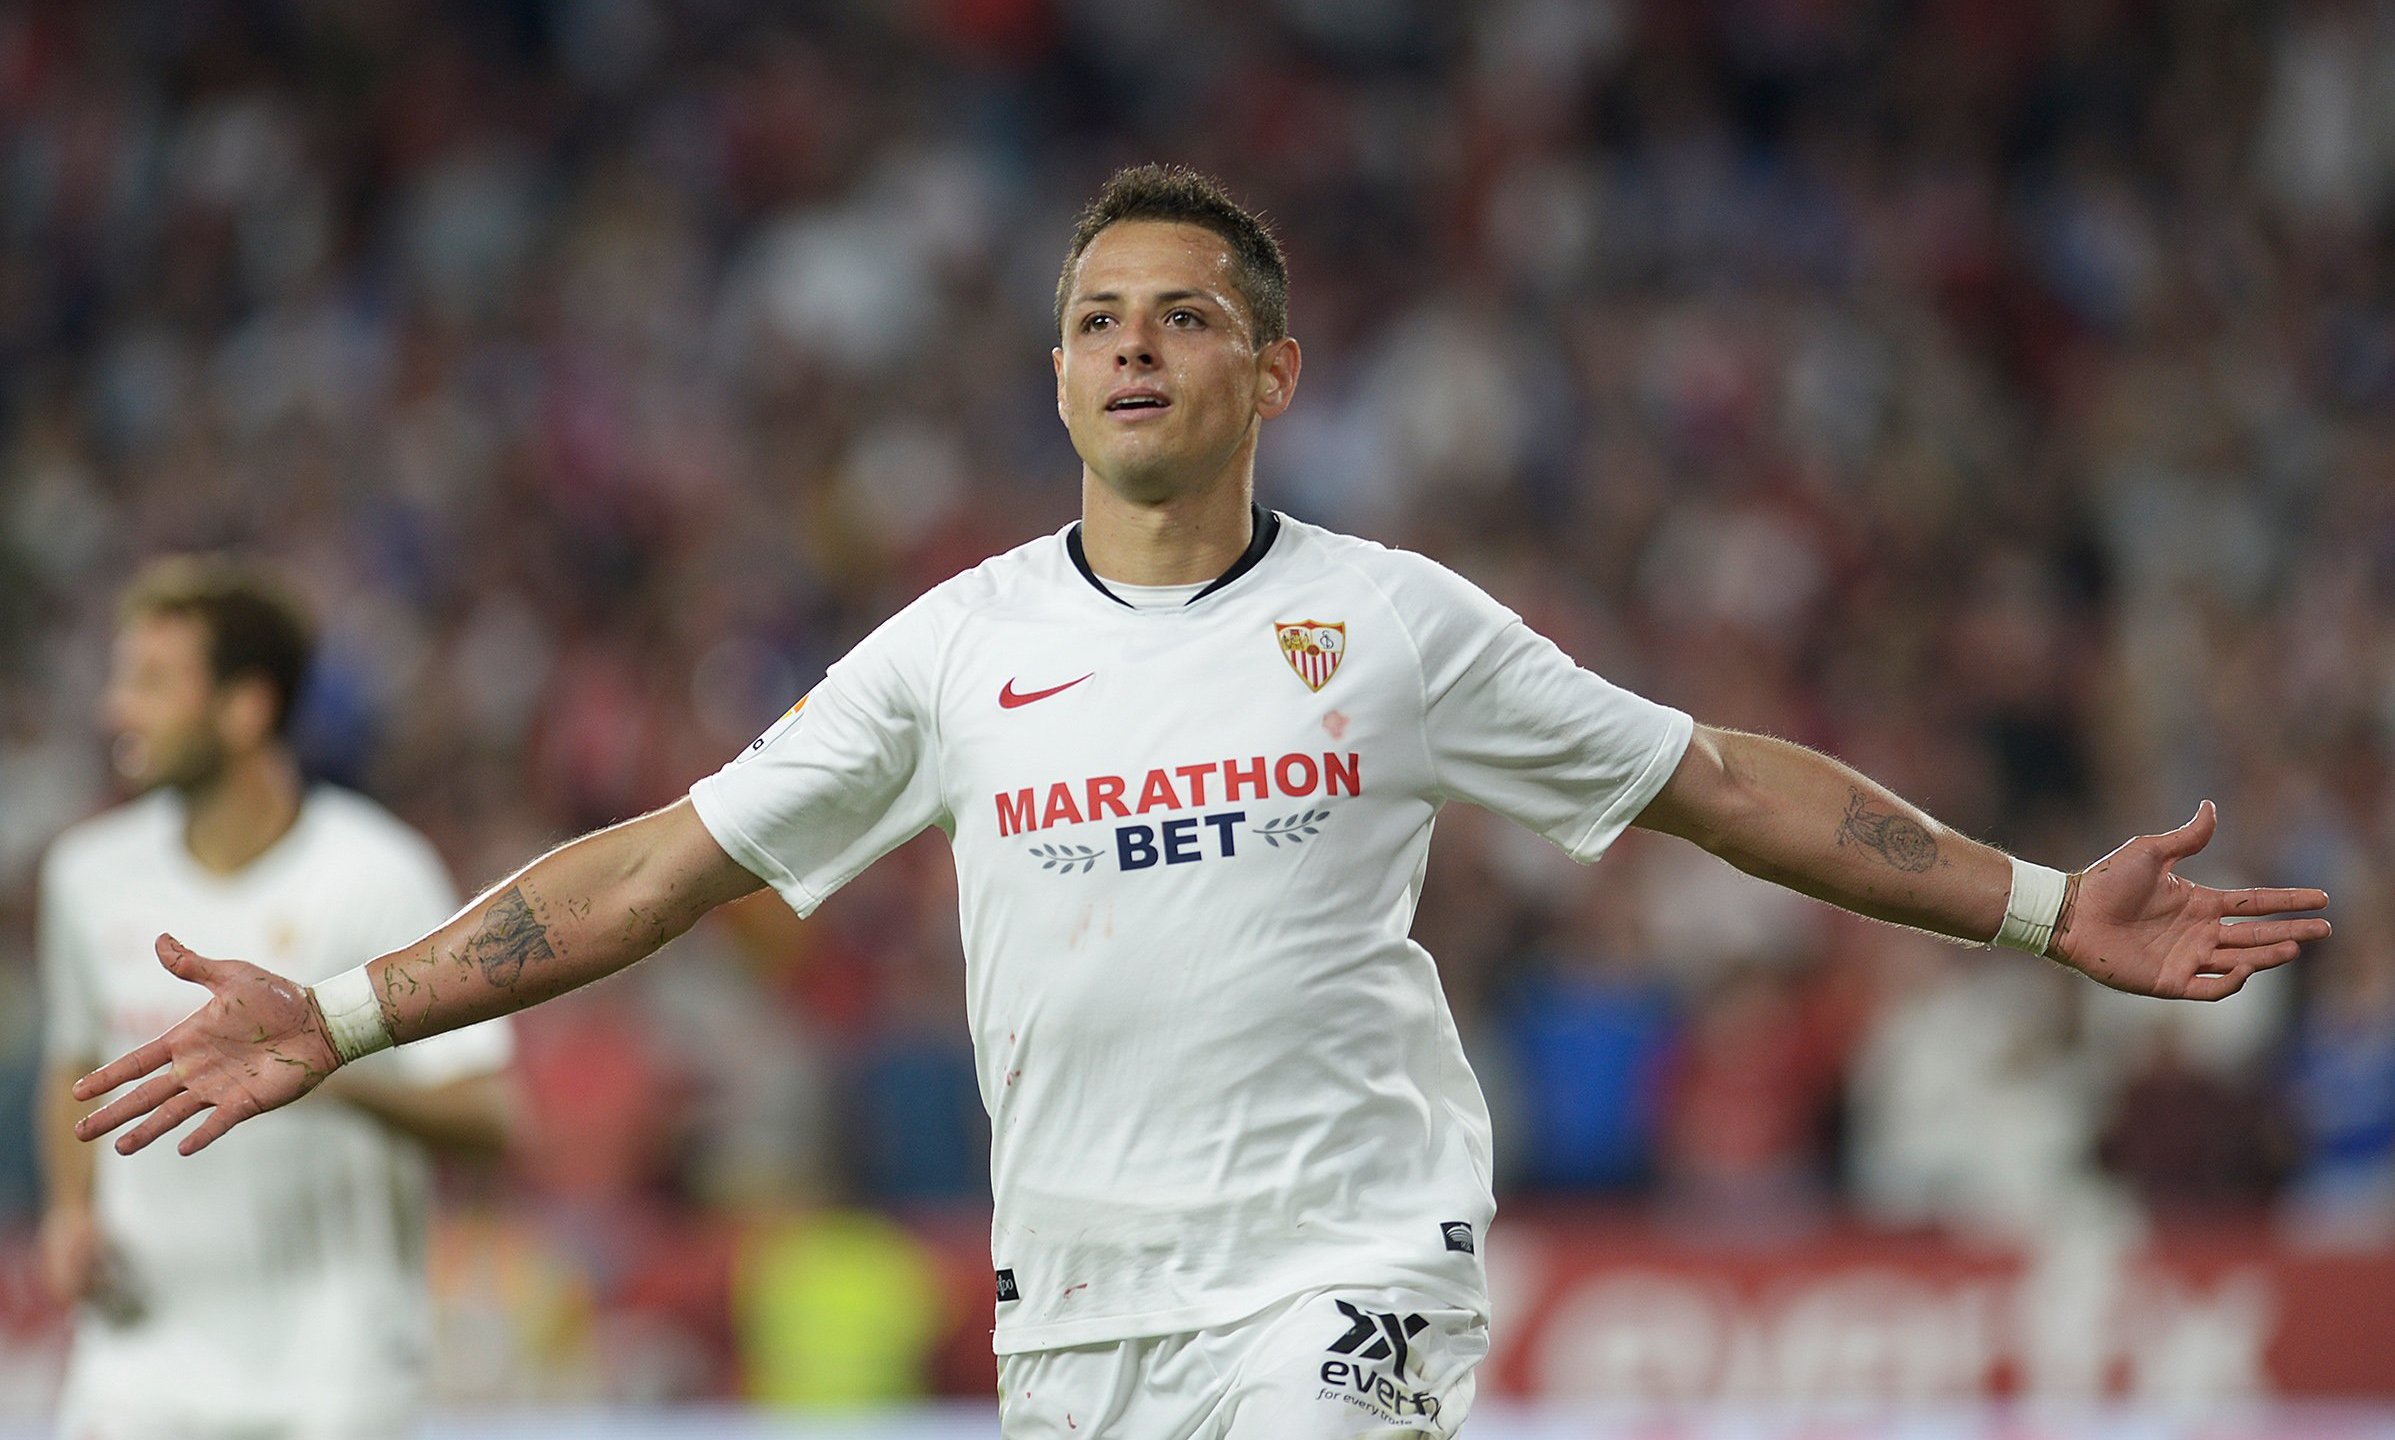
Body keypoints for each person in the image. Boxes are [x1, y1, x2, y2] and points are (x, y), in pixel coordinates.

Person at [71, 167, 2329, 1439]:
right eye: (1092, 318)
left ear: (1272, 371)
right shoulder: (953, 647)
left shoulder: (1402, 624)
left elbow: (1717, 786)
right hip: (1081, 1313)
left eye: (1176, 315)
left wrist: (2047, 904)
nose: (1129, 344)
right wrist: (346, 1012)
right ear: (1054, 369)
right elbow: (658, 860)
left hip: (1340, 1275)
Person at [37, 558, 517, 1440]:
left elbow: (488, 1115)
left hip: (332, 1371)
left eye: (151, 682)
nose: (117, 709)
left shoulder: (380, 877)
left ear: (245, 707)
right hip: (136, 1362)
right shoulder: (85, 876)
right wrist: (70, 1212)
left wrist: (322, 1062)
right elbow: (72, 1060)